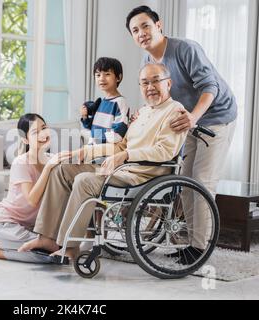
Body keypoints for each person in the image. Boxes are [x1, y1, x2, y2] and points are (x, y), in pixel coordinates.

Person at [19, 63, 187, 260]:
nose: (150, 87)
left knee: (84, 180)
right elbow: (120, 146)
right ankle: (46, 237)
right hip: (123, 168)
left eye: (155, 81)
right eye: (144, 83)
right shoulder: (144, 112)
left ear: (168, 83)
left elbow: (165, 151)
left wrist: (125, 156)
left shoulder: (175, 111)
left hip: (143, 174)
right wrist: (85, 152)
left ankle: (71, 246)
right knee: (61, 169)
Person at [126, 6, 237, 261]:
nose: (141, 33)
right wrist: (144, 113)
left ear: (158, 25)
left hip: (216, 117)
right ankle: (189, 241)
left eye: (145, 26)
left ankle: (200, 248)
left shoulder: (186, 49)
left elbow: (211, 87)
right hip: (184, 120)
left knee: (202, 181)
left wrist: (194, 117)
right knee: (184, 181)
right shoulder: (147, 61)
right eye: (135, 30)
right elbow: (157, 97)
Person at [0, 113, 70, 263]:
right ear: (25, 139)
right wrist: (49, 168)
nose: (43, 134)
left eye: (44, 128)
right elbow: (32, 200)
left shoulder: (52, 159)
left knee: (58, 252)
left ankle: (12, 248)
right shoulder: (21, 163)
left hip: (30, 228)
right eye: (36, 132)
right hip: (2, 226)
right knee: (51, 254)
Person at [80, 57, 130, 145]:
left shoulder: (120, 102)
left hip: (105, 153)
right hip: (93, 150)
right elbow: (93, 128)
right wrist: (85, 117)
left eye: (107, 74)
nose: (102, 79)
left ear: (118, 77)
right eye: (98, 75)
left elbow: (117, 134)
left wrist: (96, 139)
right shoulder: (102, 102)